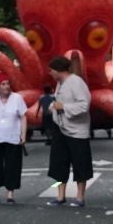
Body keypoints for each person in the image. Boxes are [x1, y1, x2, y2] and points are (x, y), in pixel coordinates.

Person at [45, 55, 94, 208]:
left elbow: (84, 105)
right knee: (58, 163)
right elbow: (59, 102)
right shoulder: (60, 83)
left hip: (77, 131)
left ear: (59, 70)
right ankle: (60, 196)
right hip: (60, 128)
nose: (50, 73)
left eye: (51, 70)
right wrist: (53, 108)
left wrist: (63, 107)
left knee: (80, 163)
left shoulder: (76, 82)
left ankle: (80, 197)